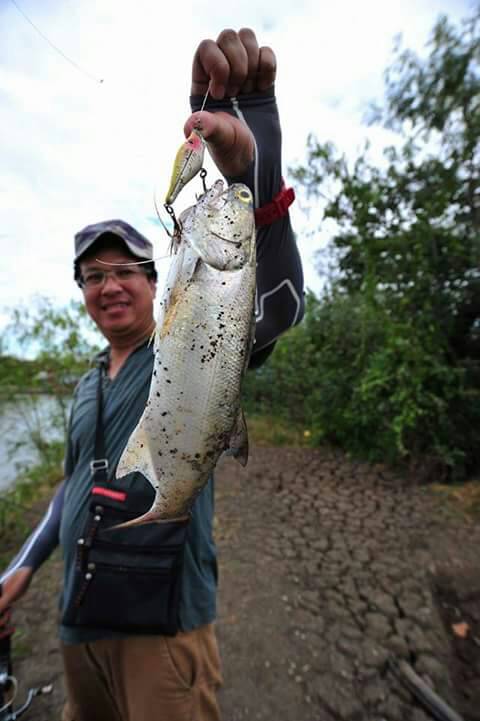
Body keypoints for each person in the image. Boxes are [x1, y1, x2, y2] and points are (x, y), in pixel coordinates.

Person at [0, 28, 304, 721]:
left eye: (123, 271)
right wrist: (20, 567)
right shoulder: (86, 383)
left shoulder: (178, 346)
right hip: (78, 627)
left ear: (160, 277)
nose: (107, 286)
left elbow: (271, 304)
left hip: (163, 634)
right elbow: (70, 486)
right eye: (91, 276)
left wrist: (255, 147)